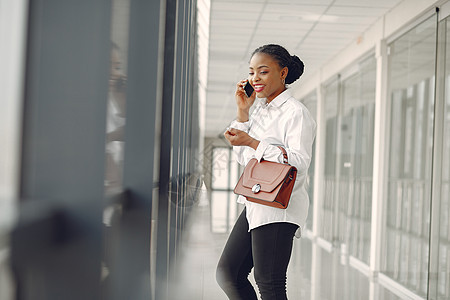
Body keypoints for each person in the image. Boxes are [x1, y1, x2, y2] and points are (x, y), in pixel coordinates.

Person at [216, 44, 316, 300]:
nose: (255, 79)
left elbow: (299, 161)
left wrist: (252, 142)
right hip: (255, 202)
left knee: (269, 283)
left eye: (263, 71)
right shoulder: (261, 110)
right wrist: (243, 112)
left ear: (283, 73)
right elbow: (245, 158)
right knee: (228, 273)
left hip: (279, 207)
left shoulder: (296, 113)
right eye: (251, 72)